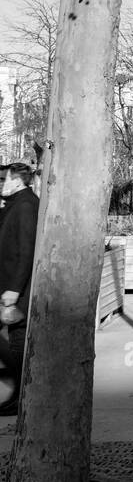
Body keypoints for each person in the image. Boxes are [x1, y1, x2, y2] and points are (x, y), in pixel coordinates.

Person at [0, 161, 39, 416]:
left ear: (17, 181)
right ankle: (19, 390)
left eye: (4, 179)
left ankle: (22, 396)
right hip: (10, 286)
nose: (2, 183)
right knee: (15, 343)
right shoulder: (15, 204)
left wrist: (14, 290)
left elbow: (26, 252)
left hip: (18, 290)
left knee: (17, 342)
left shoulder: (25, 207)